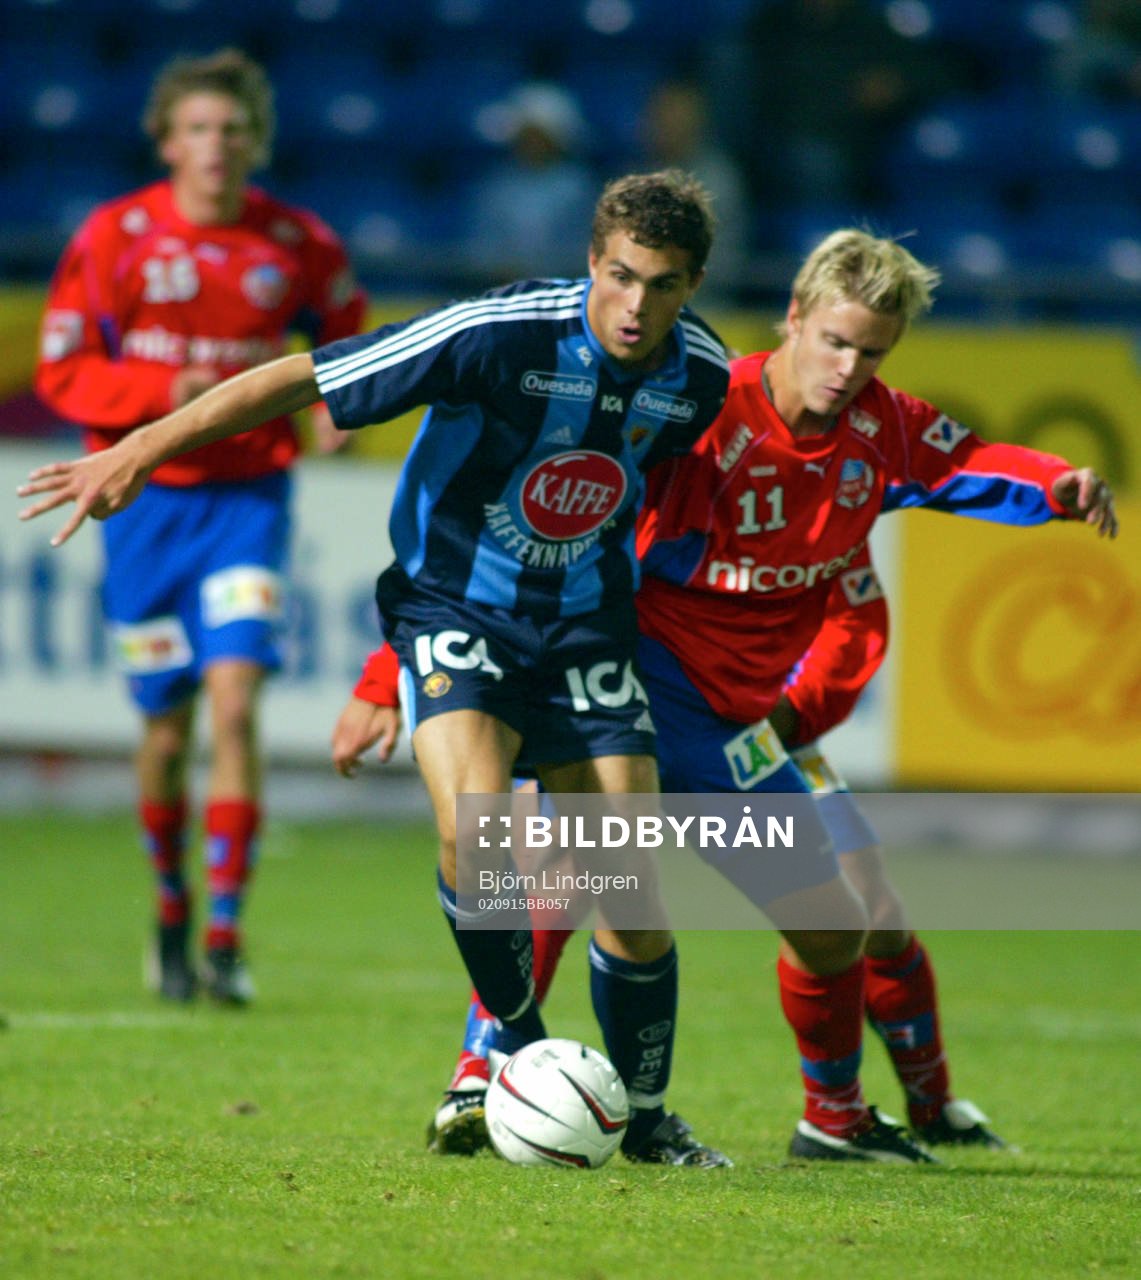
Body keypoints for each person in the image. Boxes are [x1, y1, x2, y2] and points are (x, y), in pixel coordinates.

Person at [334, 228, 1117, 1162]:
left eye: (870, 351)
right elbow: (530, 525)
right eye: (833, 341)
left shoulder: (885, 430)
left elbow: (967, 462)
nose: (846, 367)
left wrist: (1056, 483)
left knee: (831, 928)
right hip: (632, 676)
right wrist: (391, 672)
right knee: (575, 869)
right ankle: (481, 1074)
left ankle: (829, 1118)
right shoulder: (703, 407)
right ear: (792, 318)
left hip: (735, 730)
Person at [19, 170, 736, 1167]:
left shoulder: (701, 377)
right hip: (458, 611)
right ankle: (517, 1056)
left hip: (585, 631)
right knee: (476, 838)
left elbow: (668, 489)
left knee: (630, 890)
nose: (635, 304)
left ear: (692, 283)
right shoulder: (497, 332)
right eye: (619, 276)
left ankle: (649, 1119)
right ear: (591, 260)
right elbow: (298, 376)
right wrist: (141, 446)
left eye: (661, 285)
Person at [31, 48, 366, 1006]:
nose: (216, 147)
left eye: (233, 130)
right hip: (144, 507)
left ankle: (225, 936)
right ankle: (171, 907)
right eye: (199, 130)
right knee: (167, 732)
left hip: (248, 504)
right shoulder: (116, 236)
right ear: (167, 141)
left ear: (256, 141)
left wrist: (337, 410)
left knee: (233, 702)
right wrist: (160, 394)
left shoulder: (295, 241)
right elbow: (63, 372)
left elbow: (348, 342)